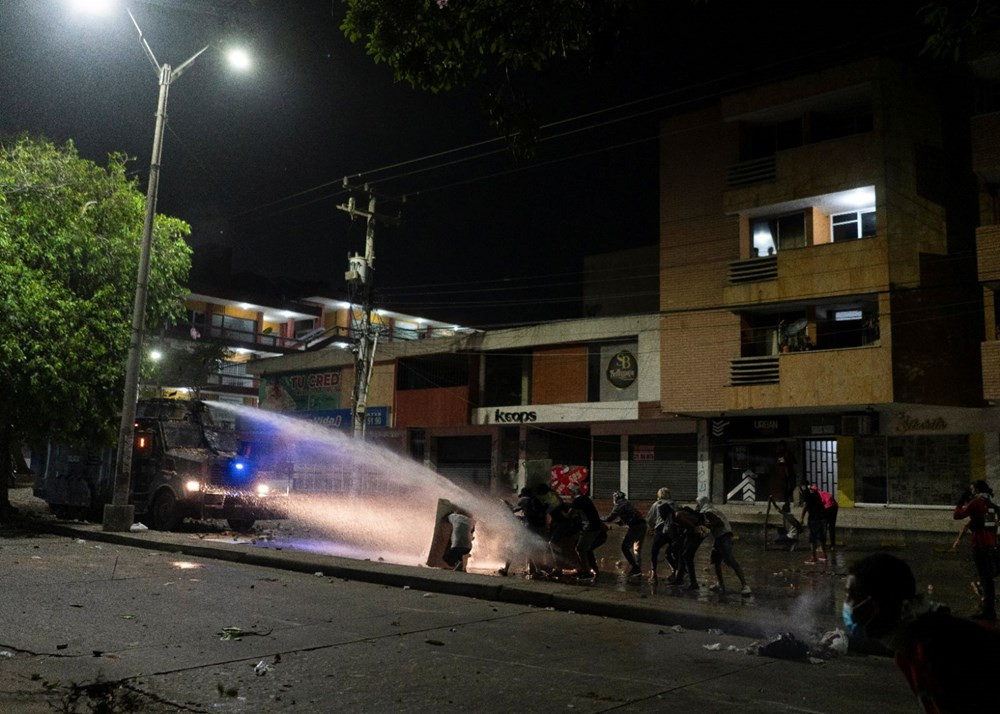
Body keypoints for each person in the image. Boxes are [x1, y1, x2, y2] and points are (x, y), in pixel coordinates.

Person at [844, 552, 1000, 713]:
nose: (847, 605)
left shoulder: (939, 650)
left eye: (851, 596)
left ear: (876, 604)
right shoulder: (908, 650)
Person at [953, 479, 997, 621]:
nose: (971, 491)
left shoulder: (976, 502)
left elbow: (958, 515)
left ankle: (988, 612)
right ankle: (989, 609)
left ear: (977, 489)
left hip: (980, 544)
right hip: (991, 544)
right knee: (988, 579)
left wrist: (960, 502)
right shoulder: (989, 503)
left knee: (985, 578)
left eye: (972, 489)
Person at [695, 496, 751, 596]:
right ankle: (720, 584)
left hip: (723, 537)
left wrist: (706, 526)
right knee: (716, 561)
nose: (697, 506)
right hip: (721, 537)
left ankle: (745, 585)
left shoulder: (707, 511)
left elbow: (719, 522)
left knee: (731, 561)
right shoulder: (713, 509)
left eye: (698, 504)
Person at [567, 483, 607, 583]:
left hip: (590, 528)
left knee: (581, 549)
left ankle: (587, 572)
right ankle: (589, 569)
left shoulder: (578, 500)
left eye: (571, 492)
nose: (570, 495)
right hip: (596, 528)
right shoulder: (586, 499)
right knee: (586, 549)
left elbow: (570, 515)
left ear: (574, 492)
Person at [602, 490, 647, 579]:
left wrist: (598, 519)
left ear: (616, 498)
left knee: (625, 547)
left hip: (635, 527)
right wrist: (622, 522)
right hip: (642, 525)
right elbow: (631, 515)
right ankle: (637, 569)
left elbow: (610, 518)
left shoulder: (619, 505)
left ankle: (635, 568)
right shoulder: (627, 503)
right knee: (637, 549)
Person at [668, 504, 708, 590]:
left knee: (687, 556)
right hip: (693, 533)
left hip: (696, 533)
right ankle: (679, 579)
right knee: (682, 555)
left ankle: (693, 583)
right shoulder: (679, 514)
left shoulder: (677, 515)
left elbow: (689, 525)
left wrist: (695, 528)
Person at [646, 487, 676, 582]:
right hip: (674, 531)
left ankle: (653, 573)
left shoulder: (657, 504)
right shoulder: (674, 504)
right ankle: (676, 570)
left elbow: (649, 518)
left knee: (654, 551)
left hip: (661, 531)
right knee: (671, 552)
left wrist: (651, 528)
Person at [805, 483, 840, 549]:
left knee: (823, 526)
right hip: (834, 507)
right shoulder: (824, 493)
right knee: (831, 527)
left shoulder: (817, 495)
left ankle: (822, 545)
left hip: (827, 508)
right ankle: (833, 545)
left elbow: (821, 504)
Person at [800, 482, 827, 565]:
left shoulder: (806, 493)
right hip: (822, 517)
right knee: (821, 536)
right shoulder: (815, 493)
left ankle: (813, 557)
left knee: (812, 538)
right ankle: (824, 555)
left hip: (814, 519)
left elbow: (805, 506)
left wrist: (802, 517)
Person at [774, 441, 797, 507]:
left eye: (782, 446)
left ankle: (788, 500)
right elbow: (775, 463)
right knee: (784, 488)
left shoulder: (789, 453)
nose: (781, 447)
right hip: (782, 474)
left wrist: (787, 460)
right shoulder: (778, 454)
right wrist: (778, 462)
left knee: (791, 487)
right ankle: (786, 501)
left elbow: (794, 462)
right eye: (780, 446)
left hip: (790, 473)